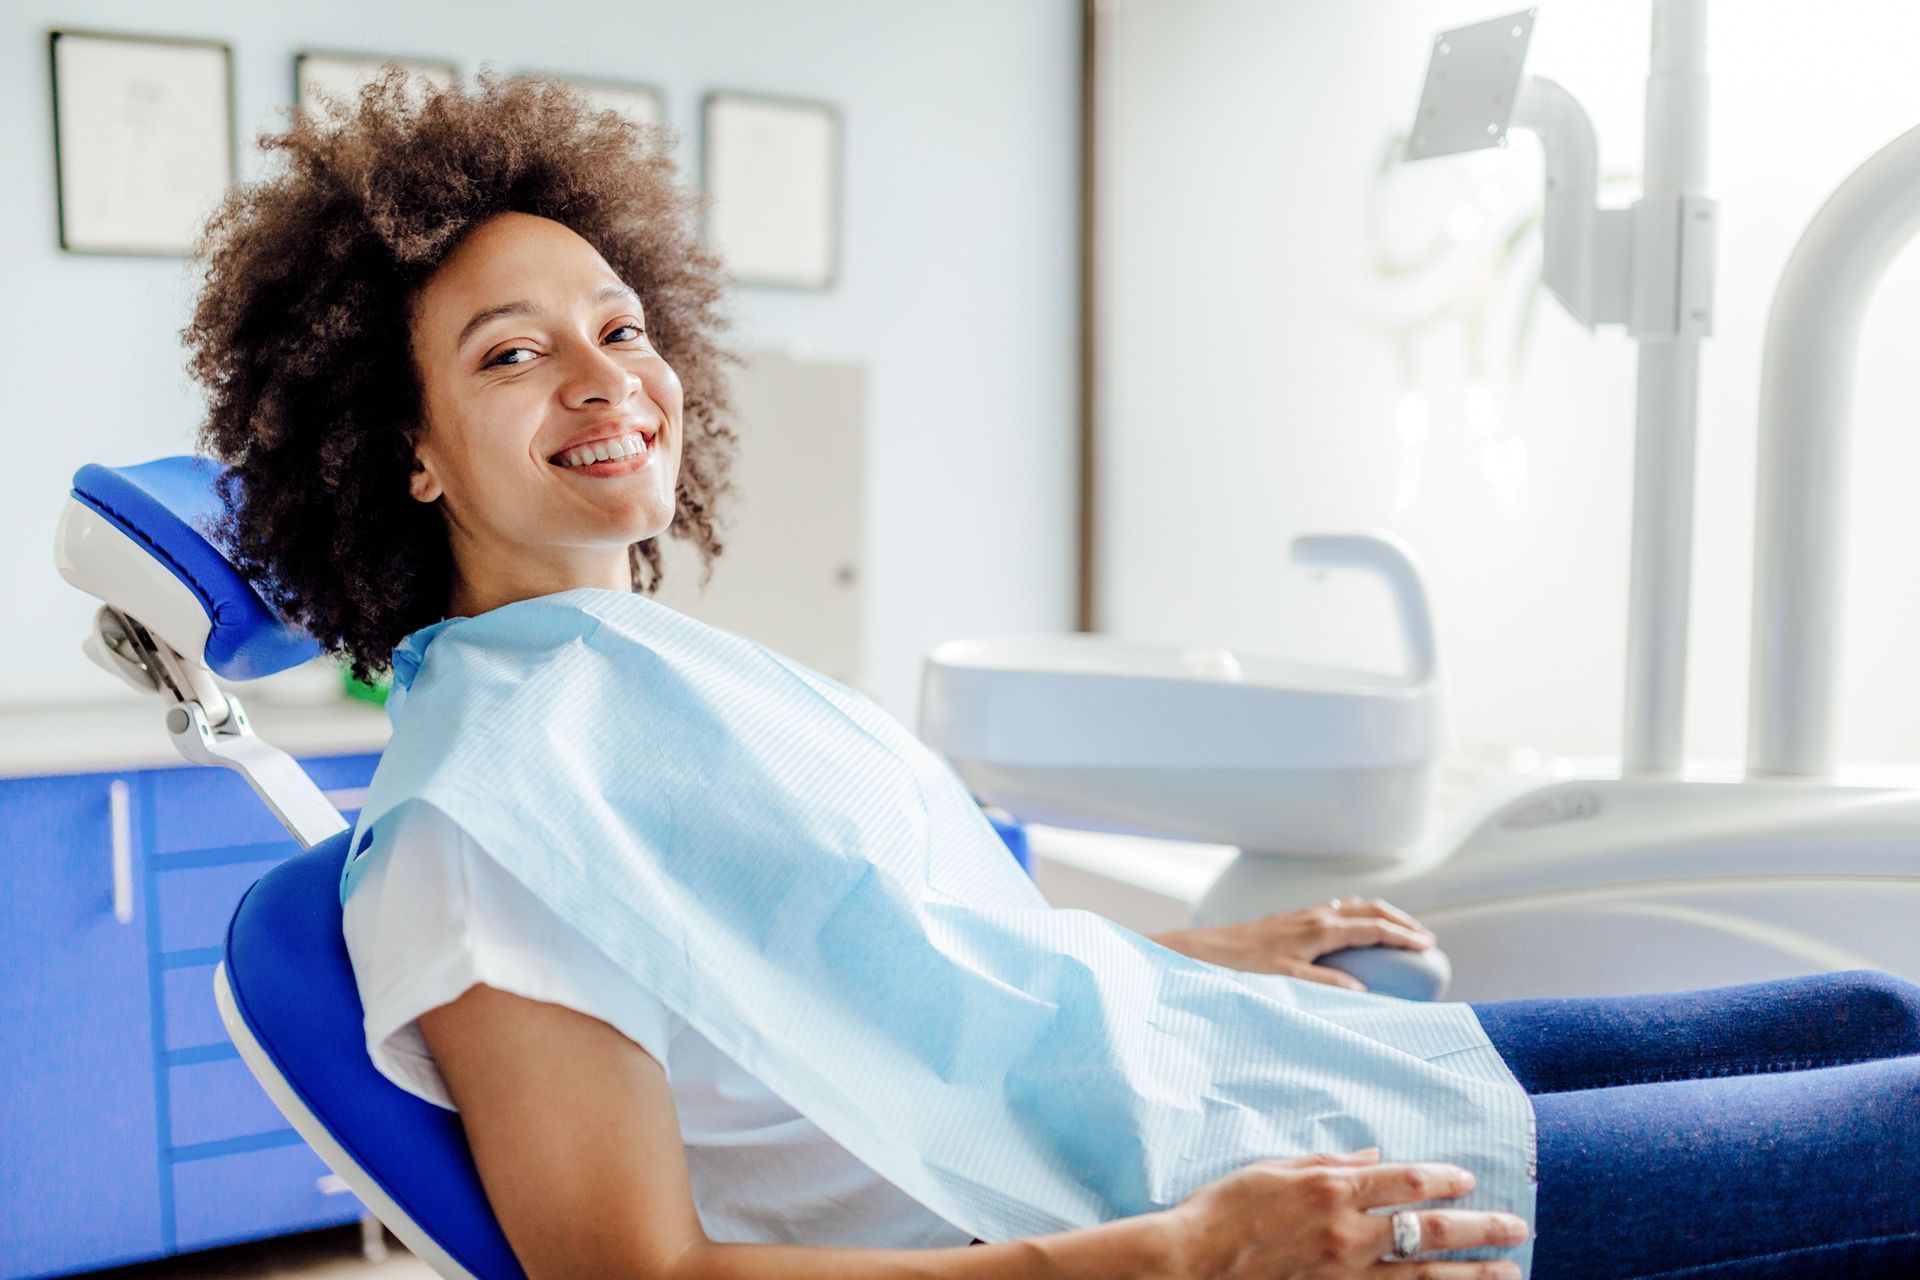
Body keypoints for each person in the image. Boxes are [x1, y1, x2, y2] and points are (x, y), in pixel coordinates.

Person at [184, 68, 1920, 1280]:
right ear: (399, 448)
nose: (604, 374)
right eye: (510, 353)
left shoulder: (638, 673)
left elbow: (877, 979)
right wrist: (1174, 1260)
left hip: (1189, 1064)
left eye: (622, 324)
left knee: (1868, 1016)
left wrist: (1183, 960)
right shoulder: (485, 814)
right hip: (1169, 1195)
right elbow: (635, 1270)